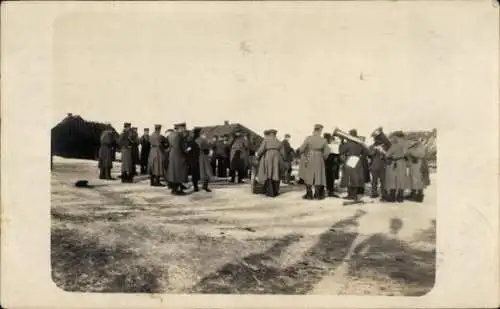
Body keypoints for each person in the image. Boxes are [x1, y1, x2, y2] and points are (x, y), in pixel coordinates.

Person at [298, 124, 330, 200]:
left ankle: (309, 195)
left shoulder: (308, 138)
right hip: (319, 158)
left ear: (314, 130)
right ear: (320, 131)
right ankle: (317, 195)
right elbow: (327, 151)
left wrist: (303, 155)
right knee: (318, 176)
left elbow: (301, 149)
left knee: (309, 175)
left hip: (310, 157)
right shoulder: (323, 140)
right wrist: (323, 157)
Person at [339, 129, 368, 201]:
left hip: (350, 159)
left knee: (349, 177)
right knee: (355, 177)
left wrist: (342, 142)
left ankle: (351, 195)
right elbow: (366, 152)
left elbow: (341, 150)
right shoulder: (360, 143)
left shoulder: (349, 143)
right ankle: (354, 194)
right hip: (357, 160)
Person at [255, 129, 283, 197]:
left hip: (269, 156)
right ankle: (276, 191)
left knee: (269, 172)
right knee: (276, 173)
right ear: (275, 134)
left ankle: (269, 192)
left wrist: (257, 155)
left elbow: (261, 149)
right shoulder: (278, 141)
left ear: (269, 134)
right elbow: (283, 152)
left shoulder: (266, 140)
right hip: (277, 157)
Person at [166, 123, 189, 195]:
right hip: (179, 155)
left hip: (172, 154)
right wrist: (188, 149)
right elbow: (182, 147)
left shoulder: (171, 135)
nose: (184, 129)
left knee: (173, 173)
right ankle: (177, 190)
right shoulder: (180, 135)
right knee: (179, 173)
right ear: (181, 128)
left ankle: (173, 189)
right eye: (184, 128)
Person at [384, 131, 408, 202]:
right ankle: (400, 197)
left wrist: (384, 152)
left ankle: (392, 197)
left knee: (393, 179)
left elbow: (387, 154)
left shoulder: (395, 145)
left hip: (395, 163)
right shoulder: (406, 144)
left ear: (397, 137)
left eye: (394, 137)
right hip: (403, 163)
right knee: (401, 179)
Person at [323, 133, 341, 197]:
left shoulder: (325, 145)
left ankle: (328, 190)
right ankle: (330, 191)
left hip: (327, 162)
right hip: (333, 162)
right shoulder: (334, 145)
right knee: (331, 177)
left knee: (327, 176)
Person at [186, 127, 202, 192]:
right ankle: (195, 186)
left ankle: (195, 186)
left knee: (194, 173)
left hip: (193, 159)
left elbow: (188, 150)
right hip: (195, 159)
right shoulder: (196, 140)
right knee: (195, 173)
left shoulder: (192, 140)